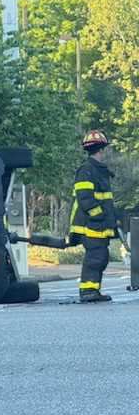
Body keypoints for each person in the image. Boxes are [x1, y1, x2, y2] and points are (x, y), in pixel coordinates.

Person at [69, 129, 116, 303]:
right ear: (102, 149)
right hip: (91, 225)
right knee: (95, 257)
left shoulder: (97, 170)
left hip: (99, 224)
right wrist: (99, 216)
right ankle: (88, 291)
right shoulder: (86, 169)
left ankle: (93, 290)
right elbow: (85, 198)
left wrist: (110, 221)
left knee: (100, 256)